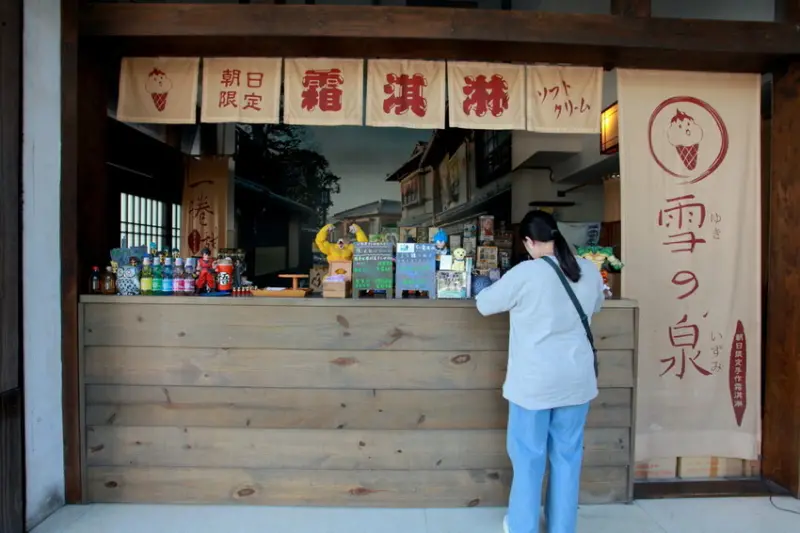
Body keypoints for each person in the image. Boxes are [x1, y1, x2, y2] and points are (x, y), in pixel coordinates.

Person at [475, 210, 605, 533]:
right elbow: (597, 305)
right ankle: (562, 527)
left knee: (529, 459)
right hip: (576, 381)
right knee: (567, 457)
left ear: (530, 242)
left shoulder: (526, 274)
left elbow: (484, 304)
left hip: (534, 384)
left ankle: (523, 526)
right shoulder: (589, 271)